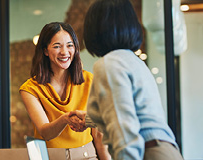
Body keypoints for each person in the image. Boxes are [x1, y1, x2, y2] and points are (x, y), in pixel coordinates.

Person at [69, 0, 184, 160]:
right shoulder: (133, 61)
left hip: (147, 152)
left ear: (95, 29)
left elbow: (124, 132)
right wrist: (88, 119)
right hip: (163, 150)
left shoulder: (109, 65)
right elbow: (132, 112)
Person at [19, 22, 111, 160]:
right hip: (49, 157)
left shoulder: (90, 80)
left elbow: (99, 134)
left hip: (87, 155)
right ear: (45, 50)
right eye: (57, 46)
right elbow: (45, 132)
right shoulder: (30, 89)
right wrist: (65, 119)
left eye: (70, 45)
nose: (64, 52)